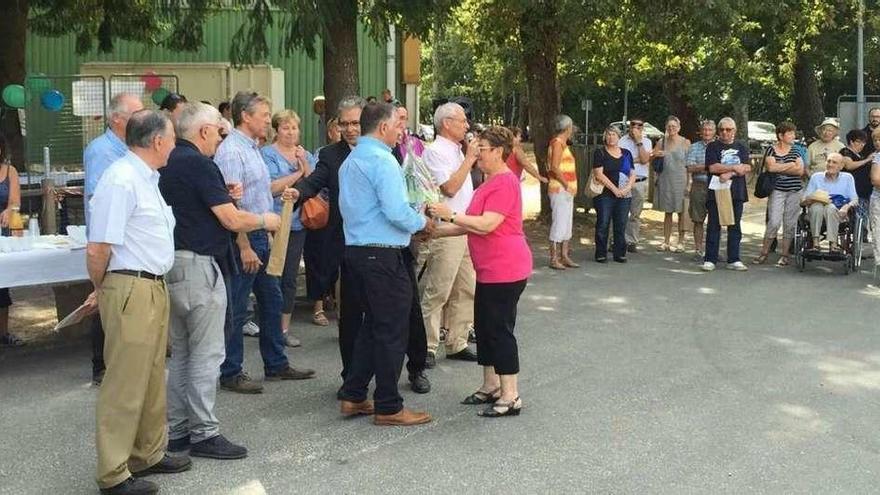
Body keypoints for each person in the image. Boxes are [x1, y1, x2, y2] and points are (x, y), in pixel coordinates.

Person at [159, 102, 282, 461]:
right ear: (203, 132)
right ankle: (204, 432)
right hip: (199, 267)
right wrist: (264, 220)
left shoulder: (170, 162)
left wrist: (225, 195)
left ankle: (179, 430)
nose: (221, 137)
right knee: (207, 354)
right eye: (218, 130)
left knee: (183, 352)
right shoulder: (198, 162)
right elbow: (230, 219)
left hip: (175, 263)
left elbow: (200, 207)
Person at [86, 110, 191, 495]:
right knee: (125, 383)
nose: (175, 145)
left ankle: (147, 454)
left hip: (151, 285)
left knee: (150, 377)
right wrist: (102, 288)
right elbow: (99, 247)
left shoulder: (146, 179)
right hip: (129, 287)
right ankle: (113, 474)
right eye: (172, 138)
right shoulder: (122, 180)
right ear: (157, 141)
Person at [336, 101, 434, 426]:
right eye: (398, 126)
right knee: (393, 329)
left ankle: (353, 395)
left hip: (358, 253)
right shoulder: (383, 160)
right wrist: (422, 223)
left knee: (372, 326)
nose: (400, 132)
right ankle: (389, 405)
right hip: (382, 254)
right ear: (382, 128)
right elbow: (396, 211)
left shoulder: (351, 160)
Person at [427, 126, 531, 418]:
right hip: (488, 269)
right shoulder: (487, 183)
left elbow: (486, 224)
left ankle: (511, 395)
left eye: (481, 149)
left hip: (506, 268)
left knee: (499, 329)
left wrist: (448, 214)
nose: (477, 153)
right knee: (484, 328)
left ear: (498, 152)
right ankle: (491, 385)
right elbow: (468, 223)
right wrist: (435, 232)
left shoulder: (505, 183)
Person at [215, 91, 315, 395]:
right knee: (238, 307)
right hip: (245, 237)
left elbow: (261, 190)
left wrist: (290, 185)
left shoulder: (251, 148)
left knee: (271, 302)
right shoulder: (232, 151)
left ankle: (276, 363)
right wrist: (243, 244)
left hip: (261, 234)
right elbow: (232, 203)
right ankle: (231, 370)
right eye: (262, 116)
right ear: (246, 117)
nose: (266, 122)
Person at [83, 92, 145, 385]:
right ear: (117, 119)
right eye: (137, 112)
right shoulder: (101, 150)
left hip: (129, 238)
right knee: (105, 298)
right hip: (109, 238)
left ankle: (123, 359)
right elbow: (99, 198)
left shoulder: (130, 147)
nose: (143, 117)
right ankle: (102, 365)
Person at [420, 102, 479, 366]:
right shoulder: (435, 152)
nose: (466, 125)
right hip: (446, 229)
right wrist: (469, 159)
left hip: (465, 225)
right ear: (446, 123)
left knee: (466, 288)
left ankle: (458, 340)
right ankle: (427, 345)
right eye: (462, 121)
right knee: (438, 289)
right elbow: (450, 188)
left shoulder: (458, 151)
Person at [298, 100, 364, 329]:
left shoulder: (384, 149)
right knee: (346, 286)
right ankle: (348, 331)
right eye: (344, 124)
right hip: (343, 234)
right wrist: (297, 192)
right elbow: (315, 181)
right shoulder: (330, 154)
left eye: (355, 123)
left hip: (378, 237)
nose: (350, 129)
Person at [262, 109, 315, 348]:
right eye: (285, 127)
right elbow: (272, 187)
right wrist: (298, 173)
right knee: (271, 275)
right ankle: (269, 325)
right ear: (276, 130)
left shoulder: (305, 154)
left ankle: (284, 328)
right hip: (273, 222)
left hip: (297, 223)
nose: (291, 132)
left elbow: (314, 183)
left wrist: (305, 164)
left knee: (290, 277)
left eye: (294, 127)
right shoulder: (267, 154)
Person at [700, 117, 751, 272]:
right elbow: (713, 167)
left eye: (728, 129)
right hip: (717, 191)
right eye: (722, 129)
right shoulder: (713, 147)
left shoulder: (741, 146)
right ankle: (710, 259)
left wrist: (729, 173)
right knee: (714, 225)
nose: (725, 132)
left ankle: (734, 259)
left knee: (735, 226)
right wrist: (735, 167)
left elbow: (747, 167)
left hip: (737, 191)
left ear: (734, 131)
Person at [753, 122, 805, 267]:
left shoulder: (796, 150)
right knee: (774, 221)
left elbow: (800, 171)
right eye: (790, 133)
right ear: (781, 136)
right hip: (777, 190)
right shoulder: (771, 149)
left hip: (795, 191)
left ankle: (785, 255)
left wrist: (780, 167)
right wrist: (790, 165)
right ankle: (764, 252)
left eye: (793, 133)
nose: (793, 136)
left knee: (789, 224)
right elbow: (770, 167)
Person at [592, 125, 635, 263]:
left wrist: (627, 188)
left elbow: (632, 173)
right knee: (603, 223)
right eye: (608, 134)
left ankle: (619, 253)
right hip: (605, 194)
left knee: (621, 223)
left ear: (619, 137)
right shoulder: (600, 152)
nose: (611, 137)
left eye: (614, 135)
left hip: (624, 194)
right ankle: (601, 252)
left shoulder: (626, 153)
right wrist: (614, 189)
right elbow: (599, 174)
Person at [802, 153, 858, 252]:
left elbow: (854, 199)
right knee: (816, 207)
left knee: (830, 207)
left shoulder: (848, 178)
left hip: (839, 213)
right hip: (816, 213)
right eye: (828, 161)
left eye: (834, 162)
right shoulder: (816, 177)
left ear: (841, 166)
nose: (830, 164)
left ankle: (833, 244)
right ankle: (815, 243)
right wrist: (810, 199)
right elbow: (803, 200)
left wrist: (846, 206)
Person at [652, 116, 691, 252]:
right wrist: (657, 154)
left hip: (681, 180)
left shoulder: (685, 142)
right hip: (665, 180)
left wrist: (689, 183)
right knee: (667, 212)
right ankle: (666, 241)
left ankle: (681, 241)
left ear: (679, 128)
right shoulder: (661, 142)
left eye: (674, 126)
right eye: (669, 126)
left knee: (681, 212)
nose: (671, 129)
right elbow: (652, 157)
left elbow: (689, 164)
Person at [546, 114, 579, 269]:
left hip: (566, 190)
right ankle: (554, 258)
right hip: (560, 188)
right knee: (559, 222)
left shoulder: (563, 143)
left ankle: (564, 255)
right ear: (567, 128)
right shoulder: (558, 143)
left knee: (566, 223)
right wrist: (567, 184)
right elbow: (554, 167)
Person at [0, 134, 23, 347]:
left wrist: (9, 210)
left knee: (2, 284)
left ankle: (4, 332)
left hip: (4, 234)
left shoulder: (10, 171)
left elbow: (15, 202)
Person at [619, 116, 653, 253]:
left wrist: (639, 142)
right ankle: (617, 240)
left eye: (639, 126)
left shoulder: (647, 141)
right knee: (620, 212)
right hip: (624, 180)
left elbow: (645, 160)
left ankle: (631, 241)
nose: (636, 128)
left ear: (642, 128)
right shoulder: (622, 141)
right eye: (633, 125)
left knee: (635, 214)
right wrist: (636, 160)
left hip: (639, 181)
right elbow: (620, 160)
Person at [685, 120, 716, 259]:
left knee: (716, 221)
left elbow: (723, 166)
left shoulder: (719, 147)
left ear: (714, 132)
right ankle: (698, 250)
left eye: (710, 130)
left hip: (716, 185)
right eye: (704, 130)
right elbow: (690, 167)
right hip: (699, 185)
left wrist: (702, 166)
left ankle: (712, 251)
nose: (707, 133)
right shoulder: (694, 147)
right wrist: (710, 166)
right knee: (698, 219)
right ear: (701, 131)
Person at [841, 129, 873, 225]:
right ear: (851, 141)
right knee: (857, 217)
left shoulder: (860, 155)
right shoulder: (845, 152)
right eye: (860, 142)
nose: (862, 145)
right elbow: (849, 165)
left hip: (864, 191)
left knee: (863, 217)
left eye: (864, 142)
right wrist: (867, 160)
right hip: (854, 190)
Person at [869, 129, 880, 268]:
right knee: (878, 234)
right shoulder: (877, 158)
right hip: (878, 200)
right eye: (875, 140)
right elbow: (876, 180)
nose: (878, 143)